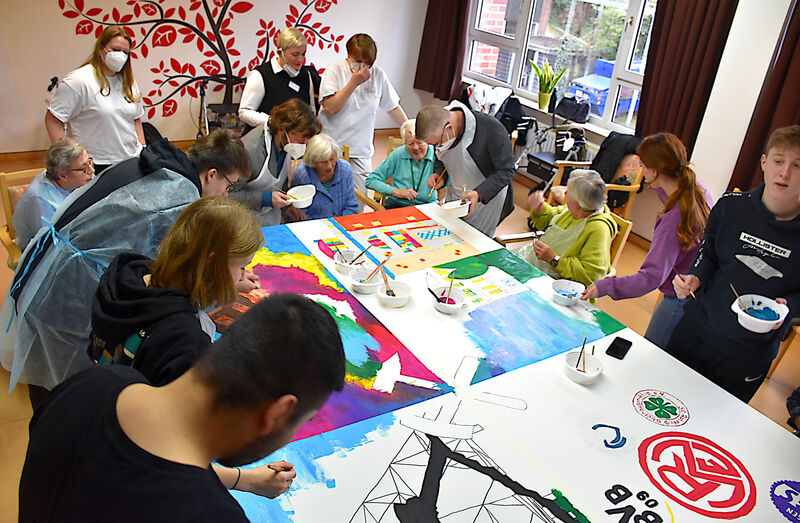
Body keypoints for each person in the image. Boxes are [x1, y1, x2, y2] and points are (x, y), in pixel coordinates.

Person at [18, 294, 346, 522]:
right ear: (278, 413)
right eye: (303, 421)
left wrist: (241, 480)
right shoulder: (211, 515)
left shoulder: (94, 383)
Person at [0, 130, 250, 406]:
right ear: (211, 174)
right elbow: (167, 278)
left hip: (48, 270)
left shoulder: (163, 163)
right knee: (64, 399)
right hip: (66, 295)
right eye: (230, 186)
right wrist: (225, 282)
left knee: (55, 392)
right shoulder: (180, 197)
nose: (226, 194)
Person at [669, 125, 800, 402]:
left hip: (749, 353)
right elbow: (708, 253)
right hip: (698, 328)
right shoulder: (731, 205)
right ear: (764, 162)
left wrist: (789, 306)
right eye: (778, 161)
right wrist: (695, 276)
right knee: (661, 396)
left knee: (716, 420)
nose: (785, 173)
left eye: (797, 165)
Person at [90, 196, 263, 386]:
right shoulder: (188, 344)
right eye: (242, 267)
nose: (242, 275)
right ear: (213, 263)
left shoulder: (131, 278)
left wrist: (223, 283)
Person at [580, 133, 714, 348]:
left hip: (680, 298)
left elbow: (649, 278)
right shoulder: (695, 187)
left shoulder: (672, 221)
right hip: (701, 291)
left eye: (642, 166)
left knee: (652, 349)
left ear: (654, 171)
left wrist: (605, 285)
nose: (640, 171)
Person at [318, 33, 408, 201]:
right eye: (357, 61)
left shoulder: (378, 75)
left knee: (359, 199)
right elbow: (330, 107)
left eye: (367, 63)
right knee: (329, 197)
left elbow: (392, 106)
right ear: (348, 55)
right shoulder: (335, 70)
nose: (362, 67)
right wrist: (354, 82)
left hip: (361, 148)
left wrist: (409, 128)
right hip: (332, 145)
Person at [45, 26, 145, 173]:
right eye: (115, 49)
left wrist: (142, 147)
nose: (121, 55)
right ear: (101, 49)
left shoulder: (128, 81)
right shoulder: (79, 81)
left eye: (125, 52)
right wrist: (70, 160)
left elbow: (136, 118)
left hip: (132, 159)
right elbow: (53, 120)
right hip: (96, 164)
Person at [415, 102, 515, 237]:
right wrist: (439, 175)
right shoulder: (441, 126)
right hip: (456, 193)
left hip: (485, 200)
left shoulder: (491, 129)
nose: (437, 147)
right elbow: (440, 155)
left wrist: (478, 194)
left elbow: (507, 170)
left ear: (449, 128)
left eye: (437, 143)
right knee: (446, 234)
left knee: (472, 241)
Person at [519, 169, 617, 288]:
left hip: (556, 283)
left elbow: (591, 275)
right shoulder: (575, 210)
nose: (565, 194)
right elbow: (550, 218)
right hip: (534, 266)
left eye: (568, 192)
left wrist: (554, 259)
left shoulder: (599, 229)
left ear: (579, 203)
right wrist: (540, 208)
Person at [234, 98, 321, 225]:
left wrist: (287, 207)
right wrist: (265, 199)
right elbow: (227, 195)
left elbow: (280, 182)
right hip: (242, 223)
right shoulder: (249, 151)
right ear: (281, 130)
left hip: (271, 220)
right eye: (300, 141)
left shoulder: (286, 146)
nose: (302, 146)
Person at [12, 138, 94, 250]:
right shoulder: (39, 201)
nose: (91, 171)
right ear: (63, 175)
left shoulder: (80, 180)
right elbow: (50, 245)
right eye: (84, 168)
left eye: (90, 162)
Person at [239, 27, 319, 134]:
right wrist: (273, 122)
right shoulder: (260, 75)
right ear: (280, 52)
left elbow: (311, 109)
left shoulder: (305, 75)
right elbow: (244, 112)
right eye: (295, 54)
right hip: (264, 138)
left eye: (303, 54)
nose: (300, 59)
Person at [366, 119, 437, 208]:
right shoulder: (398, 154)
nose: (415, 147)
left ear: (428, 141)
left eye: (419, 143)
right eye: (410, 144)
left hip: (429, 207)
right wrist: (395, 191)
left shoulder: (437, 155)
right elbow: (371, 180)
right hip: (398, 205)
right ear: (405, 143)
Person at [289, 134, 358, 220]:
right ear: (313, 160)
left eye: (332, 159)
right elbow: (301, 213)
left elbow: (351, 206)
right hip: (312, 225)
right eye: (323, 162)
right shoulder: (302, 174)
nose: (329, 166)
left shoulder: (345, 169)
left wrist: (340, 224)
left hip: (342, 223)